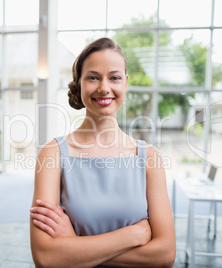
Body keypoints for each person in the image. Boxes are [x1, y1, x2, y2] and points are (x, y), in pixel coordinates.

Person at [30, 37, 175, 268]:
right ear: (79, 84)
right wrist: (132, 236)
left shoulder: (149, 158)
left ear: (125, 83)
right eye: (93, 77)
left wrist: (74, 244)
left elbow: (165, 255)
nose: (104, 88)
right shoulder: (52, 154)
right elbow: (46, 258)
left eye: (114, 77)